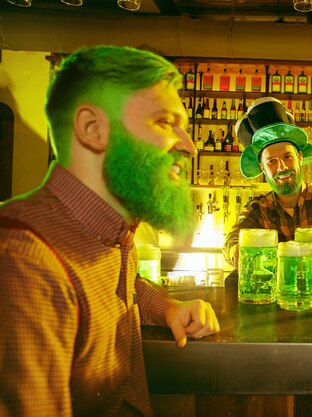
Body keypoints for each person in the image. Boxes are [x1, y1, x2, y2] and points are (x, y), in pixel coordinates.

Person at [0, 46, 220, 417]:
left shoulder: (112, 233)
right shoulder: (23, 260)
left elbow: (121, 283)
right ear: (93, 129)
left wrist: (167, 307)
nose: (190, 146)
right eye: (165, 122)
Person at [222, 97, 312, 268]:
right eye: (271, 161)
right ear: (262, 168)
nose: (282, 167)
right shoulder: (257, 209)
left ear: (300, 158)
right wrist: (235, 251)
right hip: (275, 294)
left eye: (287, 157)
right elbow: (232, 239)